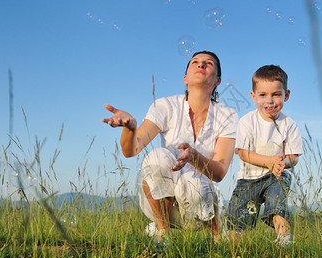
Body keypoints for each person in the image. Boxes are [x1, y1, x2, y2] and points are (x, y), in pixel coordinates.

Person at [102, 51, 238, 241]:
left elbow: (220, 173)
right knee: (157, 156)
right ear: (185, 78)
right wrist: (130, 129)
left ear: (218, 81)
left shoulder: (227, 114)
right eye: (195, 62)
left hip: (200, 205)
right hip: (163, 200)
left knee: (194, 181)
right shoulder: (165, 106)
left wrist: (193, 157)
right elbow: (130, 150)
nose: (201, 65)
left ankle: (215, 235)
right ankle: (162, 231)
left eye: (209, 63)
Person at [225, 65, 303, 246]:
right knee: (239, 216)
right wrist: (267, 161)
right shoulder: (247, 121)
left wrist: (282, 162)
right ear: (253, 96)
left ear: (286, 95)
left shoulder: (289, 124)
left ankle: (284, 240)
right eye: (262, 95)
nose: (270, 100)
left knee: (278, 205)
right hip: (248, 179)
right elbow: (243, 153)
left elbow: (294, 157)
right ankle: (237, 249)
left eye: (276, 94)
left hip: (276, 175)